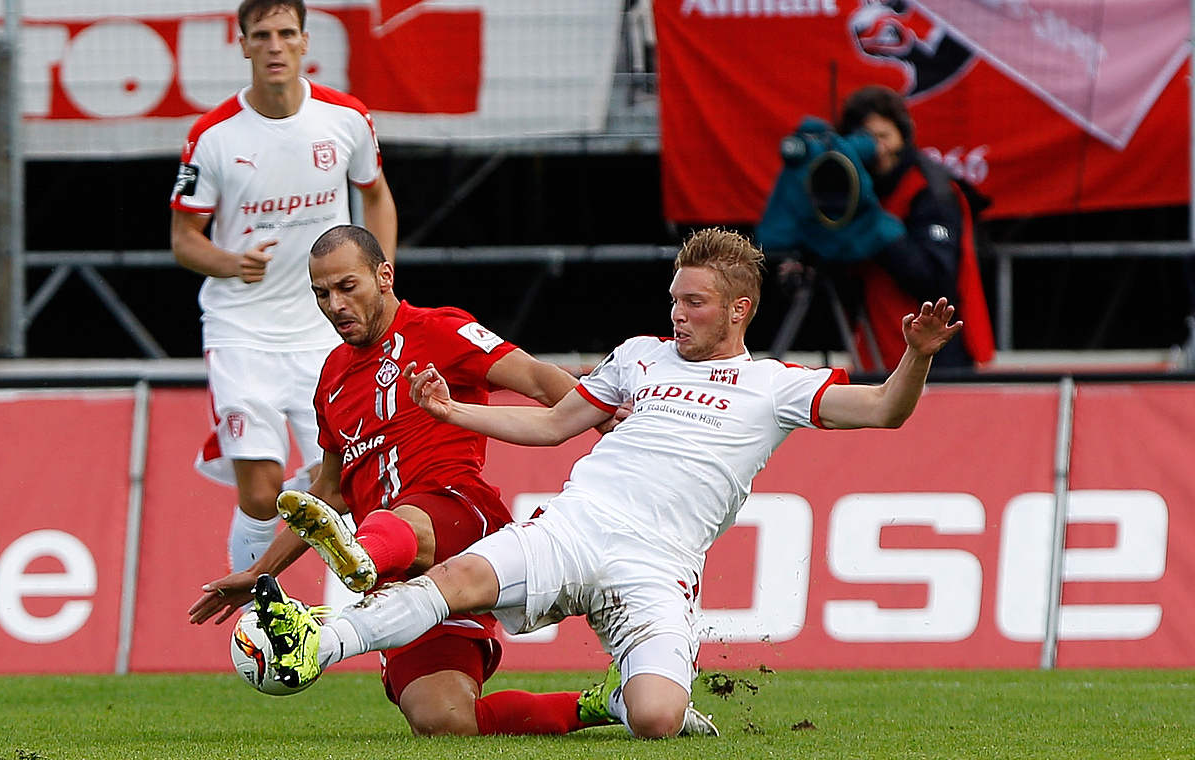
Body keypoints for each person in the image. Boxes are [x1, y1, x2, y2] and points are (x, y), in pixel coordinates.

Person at [247, 227, 964, 739]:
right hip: (576, 526)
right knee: (459, 581)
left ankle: (618, 699)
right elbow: (553, 423)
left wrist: (917, 358)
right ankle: (320, 640)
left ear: (740, 310)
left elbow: (882, 410)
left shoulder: (774, 385)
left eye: (697, 304)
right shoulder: (638, 359)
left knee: (656, 718)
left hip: (658, 565)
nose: (678, 315)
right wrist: (451, 409)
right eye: (676, 299)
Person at [188, 225, 673, 737]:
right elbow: (328, 495)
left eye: (347, 287)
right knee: (444, 721)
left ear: (384, 275)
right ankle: (608, 703)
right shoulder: (331, 377)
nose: (334, 304)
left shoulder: (440, 329)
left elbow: (534, 378)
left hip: (459, 516)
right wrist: (261, 570)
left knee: (400, 520)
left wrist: (598, 415)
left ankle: (356, 570)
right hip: (402, 572)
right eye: (321, 294)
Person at [169, 0, 397, 573]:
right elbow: (183, 240)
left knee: (345, 483)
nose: (275, 45)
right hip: (242, 331)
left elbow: (376, 194)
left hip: (325, 331)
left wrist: (380, 275)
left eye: (286, 33)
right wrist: (229, 261)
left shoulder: (345, 118)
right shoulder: (212, 136)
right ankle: (259, 611)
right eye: (262, 35)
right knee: (261, 492)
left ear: (304, 42)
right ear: (242, 44)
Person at [832, 84, 993, 371]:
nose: (876, 149)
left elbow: (935, 279)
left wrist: (880, 229)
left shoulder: (931, 190)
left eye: (883, 137)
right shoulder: (852, 190)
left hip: (938, 356)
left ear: (902, 137)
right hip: (877, 352)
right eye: (865, 139)